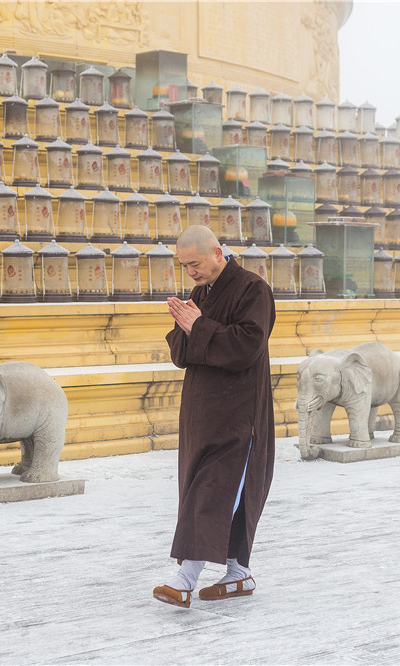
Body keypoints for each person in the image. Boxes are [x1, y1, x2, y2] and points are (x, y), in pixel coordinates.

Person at [153, 225, 276, 609]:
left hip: (239, 414)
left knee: (214, 489)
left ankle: (185, 577)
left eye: (195, 263)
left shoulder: (252, 289)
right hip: (201, 412)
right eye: (184, 266)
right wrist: (189, 329)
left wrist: (199, 327)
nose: (191, 272)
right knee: (205, 487)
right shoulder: (199, 294)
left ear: (218, 253)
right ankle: (238, 572)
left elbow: (247, 346)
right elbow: (180, 352)